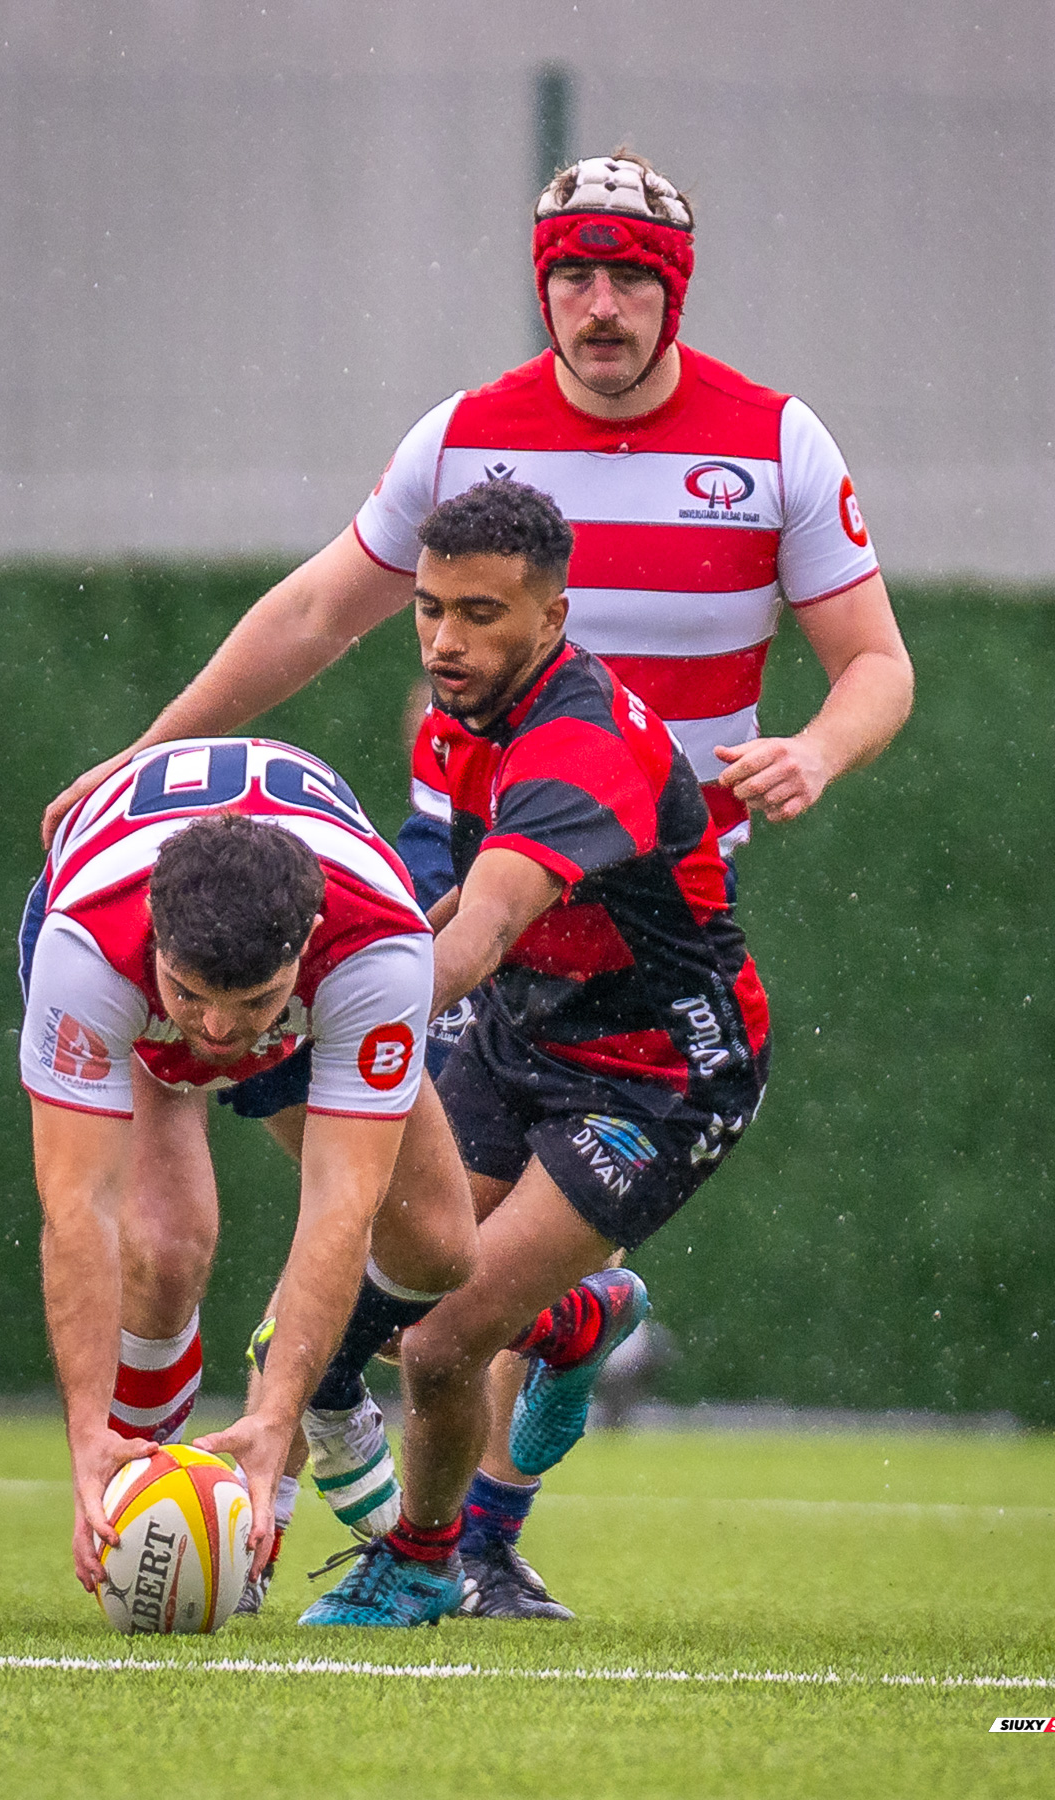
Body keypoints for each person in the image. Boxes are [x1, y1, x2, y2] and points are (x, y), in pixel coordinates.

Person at [40, 149, 914, 1613]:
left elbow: (876, 666)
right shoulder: (464, 450)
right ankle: (552, 1341)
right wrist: (147, 754)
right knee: (422, 1257)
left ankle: (445, 1550)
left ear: (672, 292)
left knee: (437, 1331)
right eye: (571, 272)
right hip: (492, 916)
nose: (598, 302)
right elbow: (319, 609)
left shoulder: (772, 445)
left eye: (629, 275)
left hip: (642, 962)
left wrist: (816, 752)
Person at [299, 478, 771, 1628]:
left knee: (440, 1342)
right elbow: (473, 896)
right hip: (525, 1034)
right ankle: (572, 1320)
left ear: (551, 620)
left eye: (480, 613)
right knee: (406, 1268)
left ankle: (420, 1560)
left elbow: (477, 936)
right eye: (427, 609)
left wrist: (322, 1007)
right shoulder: (462, 719)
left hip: (660, 1073)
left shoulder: (578, 743)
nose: (445, 640)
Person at [19, 736, 476, 1593]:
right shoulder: (89, 950)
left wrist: (275, 1414)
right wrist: (88, 1429)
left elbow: (342, 1202)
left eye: (253, 1003)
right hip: (120, 943)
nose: (220, 1034)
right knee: (162, 1250)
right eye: (191, 996)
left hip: (317, 982)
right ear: (156, 930)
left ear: (306, 941)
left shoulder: (379, 953)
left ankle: (318, 1386)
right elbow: (77, 1206)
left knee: (442, 1244)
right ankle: (131, 1503)